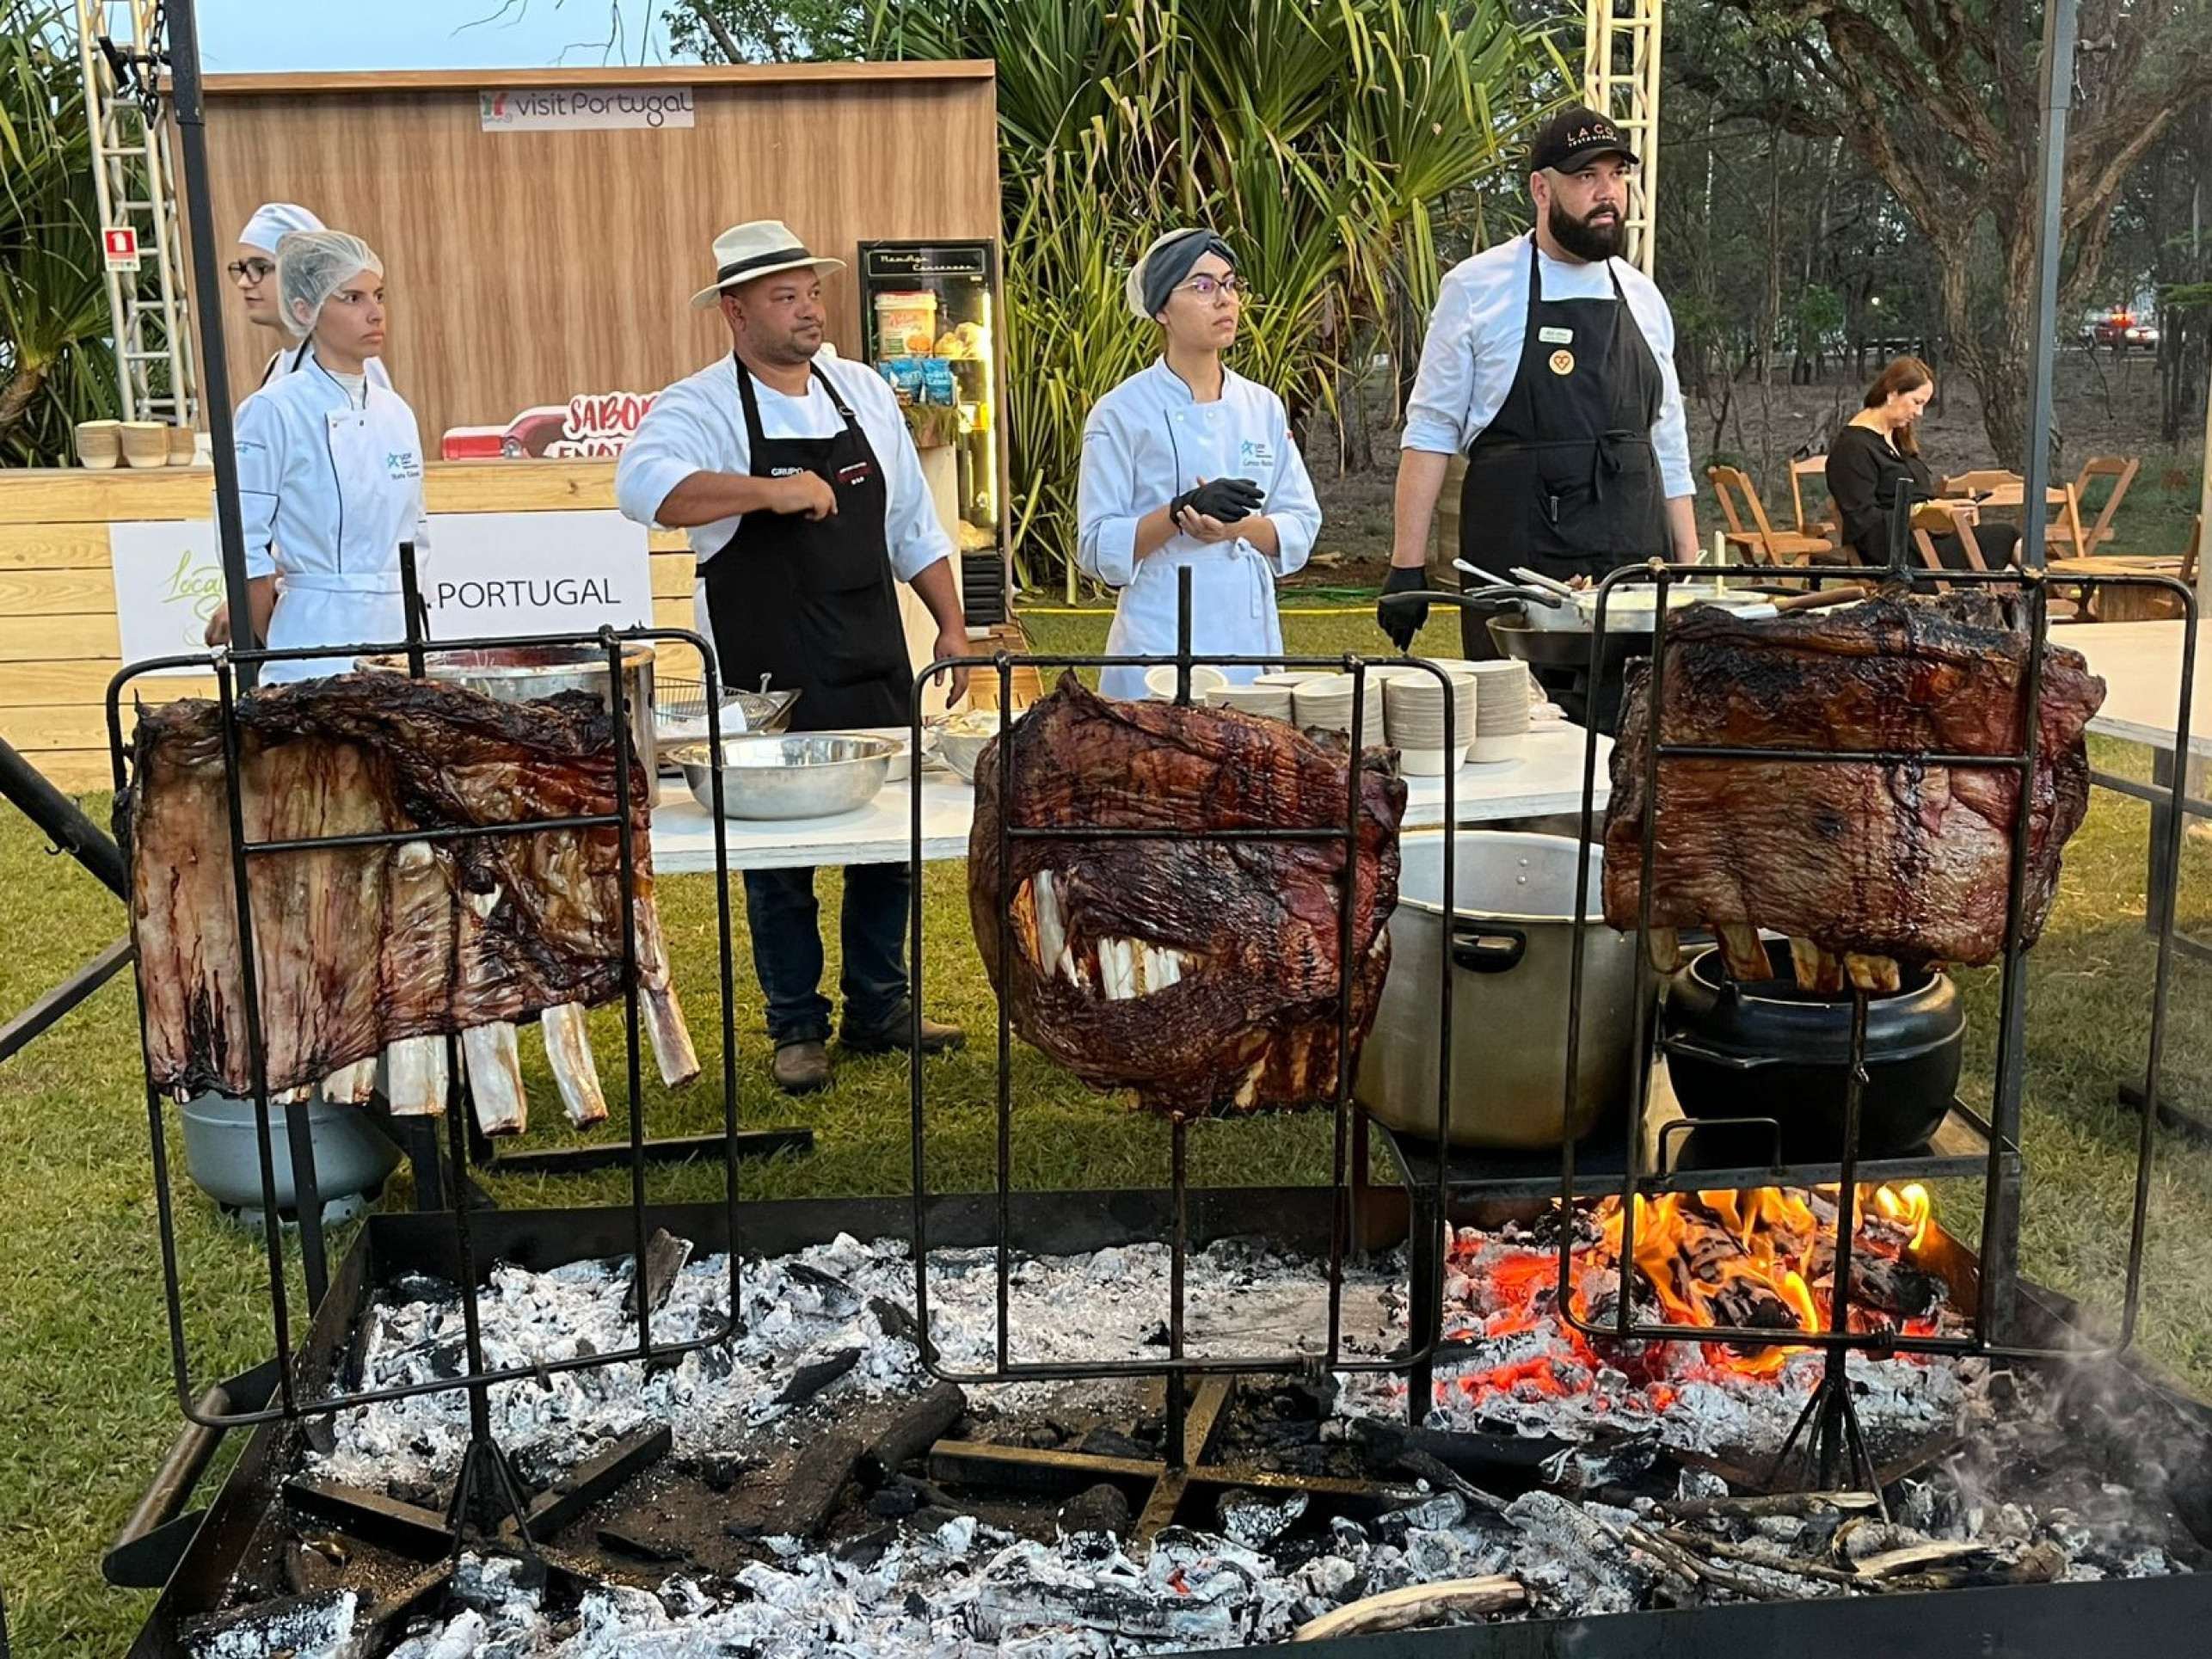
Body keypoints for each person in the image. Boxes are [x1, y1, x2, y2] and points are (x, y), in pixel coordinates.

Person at [616, 220, 969, 1096]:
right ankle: (796, 1027)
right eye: (785, 296)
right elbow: (644, 489)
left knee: (890, 841)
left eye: (811, 291)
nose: (808, 309)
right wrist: (770, 492)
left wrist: (954, 627)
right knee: (780, 857)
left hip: (871, 651)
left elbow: (911, 526)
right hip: (764, 669)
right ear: (734, 313)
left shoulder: (862, 393)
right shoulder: (696, 405)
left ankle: (881, 1005)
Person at [1378, 106, 1698, 667]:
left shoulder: (1644, 297)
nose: (1608, 192)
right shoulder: (1476, 288)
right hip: (1519, 568)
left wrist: (1689, 562)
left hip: (1633, 567)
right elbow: (1430, 430)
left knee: (1630, 731)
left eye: (1617, 175)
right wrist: (1406, 564)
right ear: (1540, 189)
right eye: (1585, 176)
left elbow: (1667, 438)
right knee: (1518, 735)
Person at [1077, 229, 1322, 700]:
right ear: (1161, 310)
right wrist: (1178, 514)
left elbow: (1301, 522)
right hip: (1159, 640)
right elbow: (1096, 545)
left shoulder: (1262, 406)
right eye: (1203, 287)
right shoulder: (1121, 413)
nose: (1224, 301)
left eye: (1230, 285)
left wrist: (1239, 529)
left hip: (1246, 638)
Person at [220, 230, 427, 680]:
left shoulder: (397, 412)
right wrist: (276, 636)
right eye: (351, 298)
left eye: (378, 295)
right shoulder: (272, 409)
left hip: (398, 632)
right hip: (310, 637)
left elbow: (417, 530)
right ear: (304, 310)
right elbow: (243, 540)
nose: (374, 313)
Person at [1826, 356, 2020, 572]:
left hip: (1927, 539)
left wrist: (1943, 510)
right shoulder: (1853, 448)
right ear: (1892, 393)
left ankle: (2045, 591)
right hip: (1898, 552)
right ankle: (2051, 587)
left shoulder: (1896, 439)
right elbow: (1863, 521)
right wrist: (1921, 513)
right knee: (2005, 537)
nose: (1919, 413)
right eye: (1916, 402)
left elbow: (1920, 499)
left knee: (2011, 567)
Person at [230, 202, 393, 390]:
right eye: (242, 269)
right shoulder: (277, 366)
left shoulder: (348, 364)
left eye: (259, 268)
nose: (243, 283)